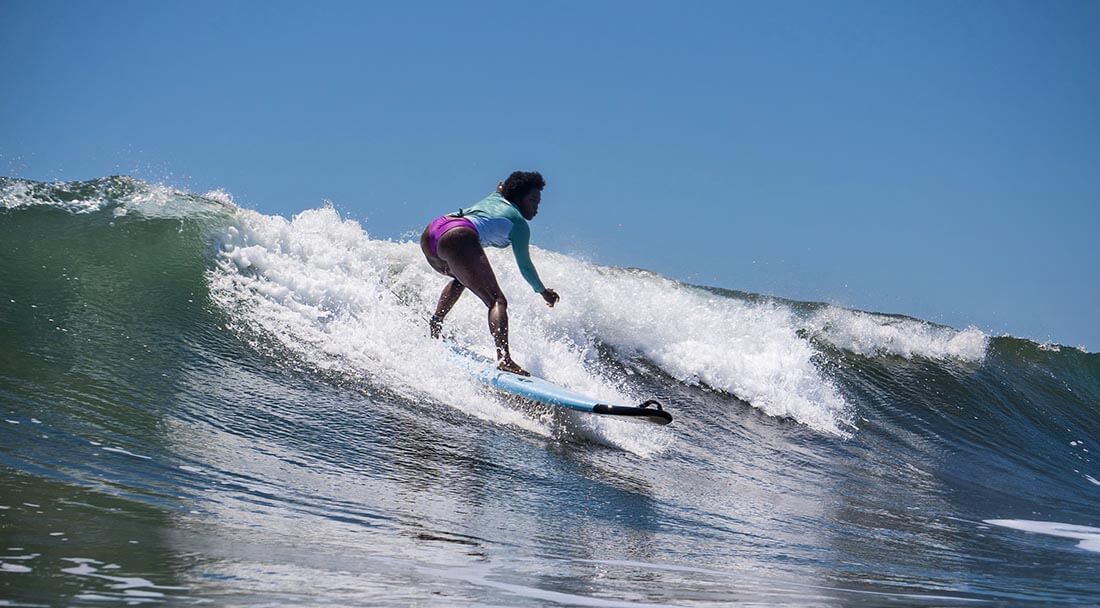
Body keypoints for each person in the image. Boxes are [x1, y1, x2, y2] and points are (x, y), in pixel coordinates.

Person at [420, 171, 560, 376]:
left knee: (462, 278)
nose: (536, 207)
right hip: (459, 234)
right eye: (532, 200)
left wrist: (505, 187)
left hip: (433, 231)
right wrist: (542, 291)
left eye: (538, 202)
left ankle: (436, 322)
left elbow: (502, 188)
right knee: (497, 301)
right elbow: (525, 267)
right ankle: (504, 358)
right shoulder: (519, 225)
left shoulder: (496, 197)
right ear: (518, 198)